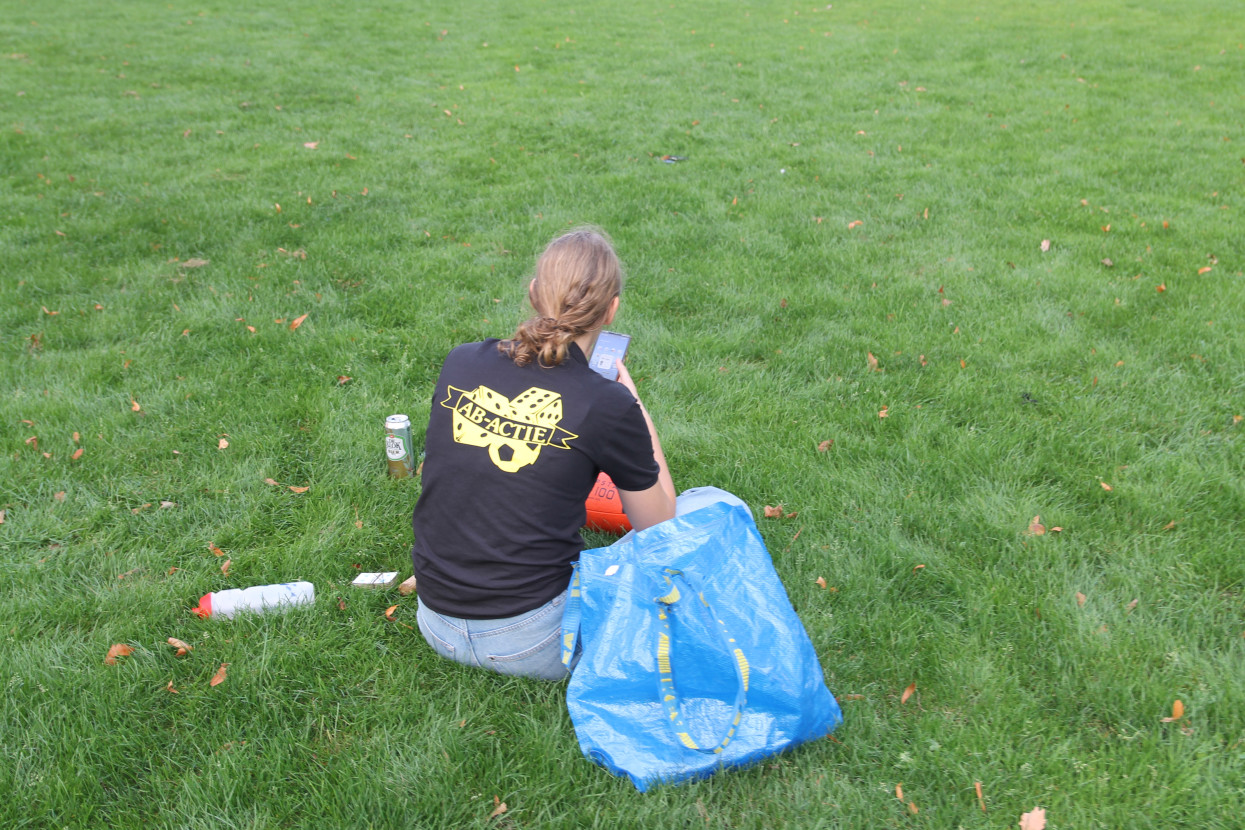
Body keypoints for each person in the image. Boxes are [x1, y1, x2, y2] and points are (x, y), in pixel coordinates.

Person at [410, 228, 745, 681]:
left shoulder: (462, 360)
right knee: (715, 504)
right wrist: (634, 403)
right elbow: (659, 527)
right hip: (535, 644)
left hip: (435, 622)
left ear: (533, 294)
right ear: (611, 309)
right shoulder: (606, 402)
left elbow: (442, 470)